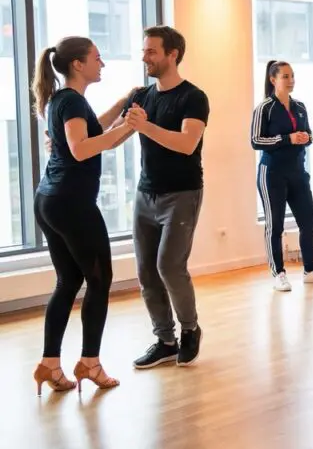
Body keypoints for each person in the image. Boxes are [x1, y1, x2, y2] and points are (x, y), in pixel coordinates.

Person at [30, 38, 134, 394]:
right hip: (71, 204)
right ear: (78, 64)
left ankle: (49, 365)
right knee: (100, 279)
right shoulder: (71, 100)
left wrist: (122, 109)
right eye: (97, 58)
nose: (102, 64)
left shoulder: (63, 99)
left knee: (69, 281)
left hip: (50, 200)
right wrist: (127, 128)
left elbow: (91, 132)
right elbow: (81, 149)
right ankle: (90, 363)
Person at [128, 26, 210, 368]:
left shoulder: (193, 97)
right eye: (144, 50)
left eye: (151, 51)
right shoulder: (142, 95)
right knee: (147, 270)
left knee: (169, 266)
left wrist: (145, 126)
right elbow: (110, 131)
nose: (144, 57)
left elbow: (186, 143)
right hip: (145, 194)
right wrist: (62, 140)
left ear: (172, 54)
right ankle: (165, 339)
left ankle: (190, 329)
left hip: (182, 194)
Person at [251, 60, 313, 292]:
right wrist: (287, 138)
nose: (291, 81)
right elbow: (256, 141)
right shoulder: (264, 108)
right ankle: (278, 273)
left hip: (298, 172)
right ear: (273, 80)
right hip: (272, 174)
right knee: (274, 225)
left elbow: (309, 133)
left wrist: (305, 137)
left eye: (292, 76)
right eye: (285, 76)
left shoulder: (300, 106)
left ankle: (311, 270)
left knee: (308, 222)